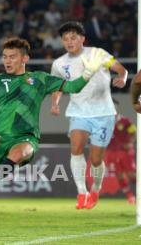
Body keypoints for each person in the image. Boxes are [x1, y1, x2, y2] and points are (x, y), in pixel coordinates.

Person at [0, 37, 103, 221]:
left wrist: (87, 74)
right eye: (5, 57)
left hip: (26, 137)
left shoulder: (39, 79)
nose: (7, 61)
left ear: (25, 59)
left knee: (20, 153)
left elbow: (72, 87)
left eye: (12, 57)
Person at [50, 21, 127, 209]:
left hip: (104, 113)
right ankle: (82, 193)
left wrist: (123, 77)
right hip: (78, 111)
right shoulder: (59, 64)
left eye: (73, 37)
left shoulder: (97, 54)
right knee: (76, 148)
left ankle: (96, 187)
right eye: (65, 39)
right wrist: (55, 103)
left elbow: (120, 69)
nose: (69, 41)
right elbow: (57, 87)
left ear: (82, 39)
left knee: (96, 159)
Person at [105, 99, 136, 204]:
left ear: (117, 107)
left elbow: (134, 132)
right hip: (111, 152)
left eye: (114, 106)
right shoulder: (103, 121)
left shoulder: (125, 121)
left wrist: (130, 142)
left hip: (125, 151)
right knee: (119, 175)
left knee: (132, 175)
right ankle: (130, 197)